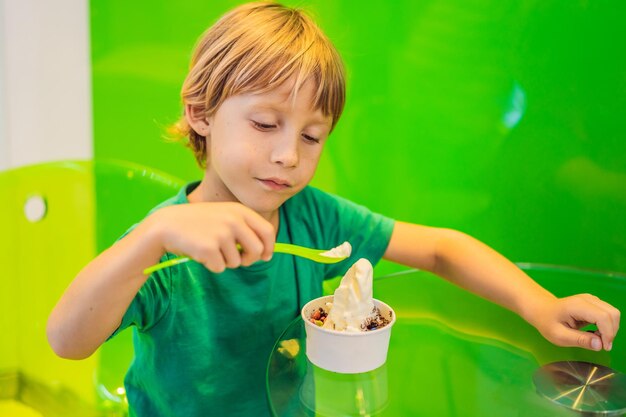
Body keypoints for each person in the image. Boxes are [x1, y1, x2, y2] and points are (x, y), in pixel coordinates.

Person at [46, 2, 620, 417]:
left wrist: (540, 304)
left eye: (313, 137)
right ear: (200, 113)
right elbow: (66, 340)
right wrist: (151, 237)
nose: (288, 155)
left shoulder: (311, 217)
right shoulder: (165, 244)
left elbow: (441, 249)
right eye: (266, 124)